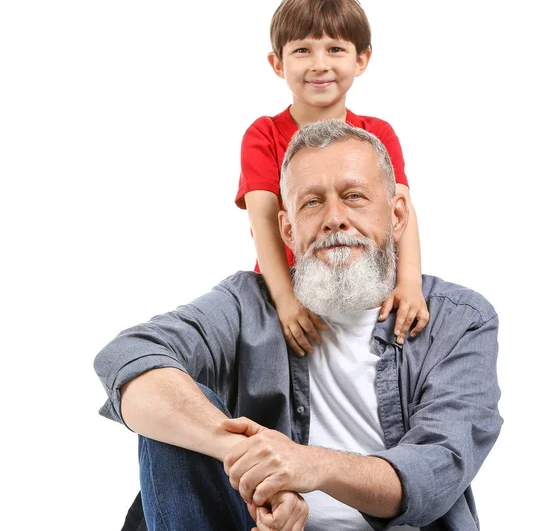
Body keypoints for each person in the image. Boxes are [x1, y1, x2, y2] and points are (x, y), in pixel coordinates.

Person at [95, 120, 502, 531]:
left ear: (397, 216)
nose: (335, 219)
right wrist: (255, 466)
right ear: (287, 230)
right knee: (174, 411)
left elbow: (437, 469)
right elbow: (130, 354)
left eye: (354, 196)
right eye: (312, 203)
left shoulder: (460, 320)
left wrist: (306, 464)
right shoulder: (246, 304)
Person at [235, 0, 429, 357]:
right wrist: (286, 300)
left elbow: (400, 209)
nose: (319, 64)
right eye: (303, 50)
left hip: (362, 277)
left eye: (335, 49)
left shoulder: (378, 134)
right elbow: (263, 224)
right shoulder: (263, 135)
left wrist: (409, 281)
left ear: (361, 59)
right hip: (289, 288)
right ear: (278, 63)